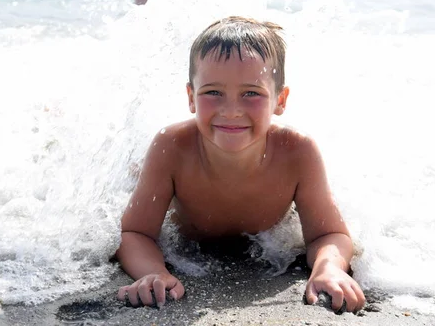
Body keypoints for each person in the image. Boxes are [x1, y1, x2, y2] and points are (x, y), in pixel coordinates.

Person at [115, 16, 366, 312]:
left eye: (251, 93)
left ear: (280, 100)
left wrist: (328, 268)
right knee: (132, 176)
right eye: (212, 92)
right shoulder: (172, 147)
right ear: (191, 97)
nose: (231, 111)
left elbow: (329, 233)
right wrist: (152, 272)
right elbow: (135, 233)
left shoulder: (297, 151)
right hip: (180, 216)